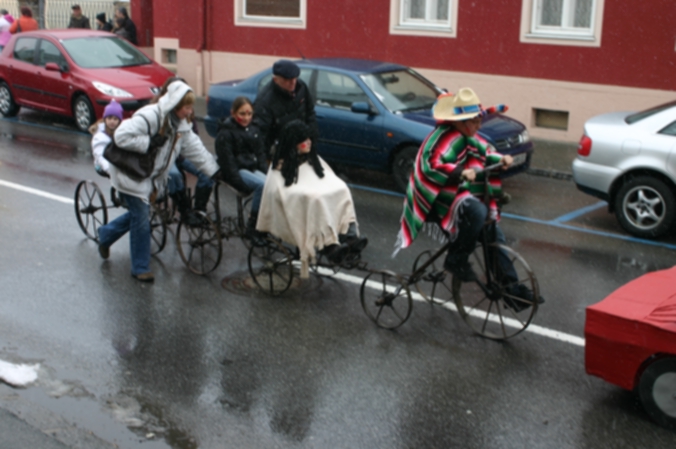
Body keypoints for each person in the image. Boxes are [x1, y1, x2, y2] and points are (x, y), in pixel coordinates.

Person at [396, 87, 542, 308]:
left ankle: (511, 290)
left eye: (478, 120)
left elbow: (483, 152)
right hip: (434, 200)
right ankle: (456, 259)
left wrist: (502, 158)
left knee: (494, 236)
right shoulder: (439, 139)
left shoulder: (467, 136)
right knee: (477, 212)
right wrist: (459, 172)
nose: (478, 125)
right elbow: (429, 168)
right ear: (461, 121)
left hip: (456, 195)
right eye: (475, 121)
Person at [97, 80, 219, 282]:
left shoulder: (181, 125)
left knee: (139, 216)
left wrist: (215, 171)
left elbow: (195, 149)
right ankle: (140, 267)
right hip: (129, 173)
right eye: (187, 107)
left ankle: (106, 234)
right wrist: (149, 143)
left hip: (147, 175)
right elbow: (120, 136)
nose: (191, 111)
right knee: (142, 217)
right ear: (175, 105)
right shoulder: (150, 116)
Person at [257, 120, 367, 278]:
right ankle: (329, 247)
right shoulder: (281, 164)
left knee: (342, 190)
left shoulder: (311, 158)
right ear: (293, 142)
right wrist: (307, 193)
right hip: (303, 199)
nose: (309, 142)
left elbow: (324, 175)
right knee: (316, 200)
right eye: (304, 140)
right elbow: (279, 189)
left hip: (313, 191)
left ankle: (349, 236)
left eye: (309, 138)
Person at [215, 96, 268, 237]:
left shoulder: (253, 129)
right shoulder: (225, 134)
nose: (246, 118)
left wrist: (266, 172)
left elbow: (260, 153)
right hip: (237, 170)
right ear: (233, 113)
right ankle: (253, 226)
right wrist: (240, 185)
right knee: (262, 185)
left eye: (249, 114)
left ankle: (264, 221)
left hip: (250, 166)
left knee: (271, 184)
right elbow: (228, 163)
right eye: (242, 114)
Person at [254, 59, 318, 154]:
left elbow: (310, 114)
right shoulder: (265, 101)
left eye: (295, 78)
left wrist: (309, 138)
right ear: (275, 79)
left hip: (302, 148)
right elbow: (261, 136)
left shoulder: (301, 87)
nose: (293, 82)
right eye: (287, 79)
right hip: (279, 153)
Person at [89, 100, 123, 177]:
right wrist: (111, 171)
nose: (112, 121)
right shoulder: (99, 137)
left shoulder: (121, 132)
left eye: (115, 119)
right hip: (102, 165)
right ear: (105, 119)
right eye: (109, 118)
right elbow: (100, 157)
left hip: (116, 160)